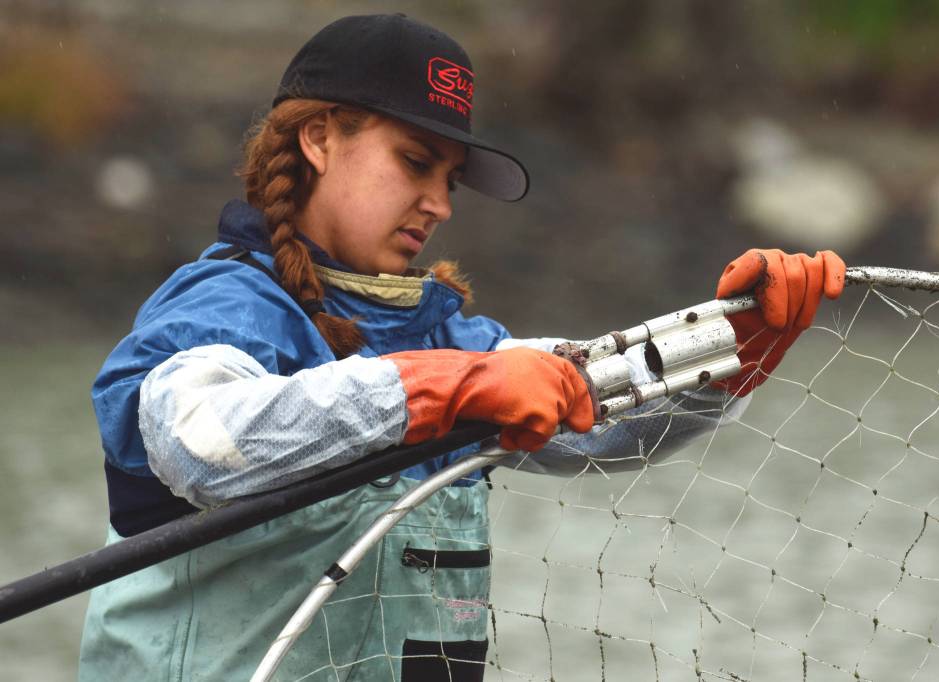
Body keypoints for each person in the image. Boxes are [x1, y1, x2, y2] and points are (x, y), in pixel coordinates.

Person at [77, 13, 844, 682]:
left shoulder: (450, 338)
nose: (440, 204)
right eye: (415, 162)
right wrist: (444, 389)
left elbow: (599, 425)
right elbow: (200, 441)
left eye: (450, 178)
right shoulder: (223, 307)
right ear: (318, 138)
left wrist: (731, 347)